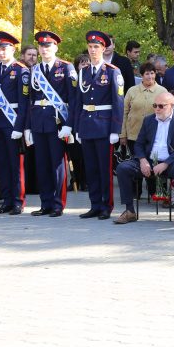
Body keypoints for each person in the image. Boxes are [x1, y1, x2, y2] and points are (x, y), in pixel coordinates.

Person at [113, 92, 174, 225]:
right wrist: (142, 160)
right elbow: (139, 143)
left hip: (171, 161)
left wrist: (166, 163)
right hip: (149, 160)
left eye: (161, 106)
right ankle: (129, 211)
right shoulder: (149, 120)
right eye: (155, 105)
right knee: (123, 168)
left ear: (172, 106)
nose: (157, 109)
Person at [25, 31, 78, 218]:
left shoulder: (66, 67)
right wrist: (28, 128)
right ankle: (45, 202)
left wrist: (69, 125)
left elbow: (73, 99)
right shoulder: (34, 70)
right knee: (42, 165)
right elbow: (31, 100)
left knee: (57, 165)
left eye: (48, 46)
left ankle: (57, 204)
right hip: (38, 122)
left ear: (55, 47)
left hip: (57, 122)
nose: (44, 49)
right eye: (41, 46)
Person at [76, 31, 125, 221]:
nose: (93, 50)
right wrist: (78, 128)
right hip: (87, 125)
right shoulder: (83, 72)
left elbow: (118, 102)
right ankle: (94, 204)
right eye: (90, 47)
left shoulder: (113, 71)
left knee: (105, 169)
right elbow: (78, 102)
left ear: (104, 49)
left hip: (104, 126)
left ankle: (106, 205)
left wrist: (115, 130)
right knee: (91, 168)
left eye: (96, 47)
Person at [0, 31, 30, 215]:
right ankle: (6, 200)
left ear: (13, 49)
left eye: (4, 48)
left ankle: (17, 201)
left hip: (13, 121)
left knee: (15, 164)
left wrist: (19, 126)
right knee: (3, 164)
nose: (1, 52)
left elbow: (24, 101)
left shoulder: (21, 69)